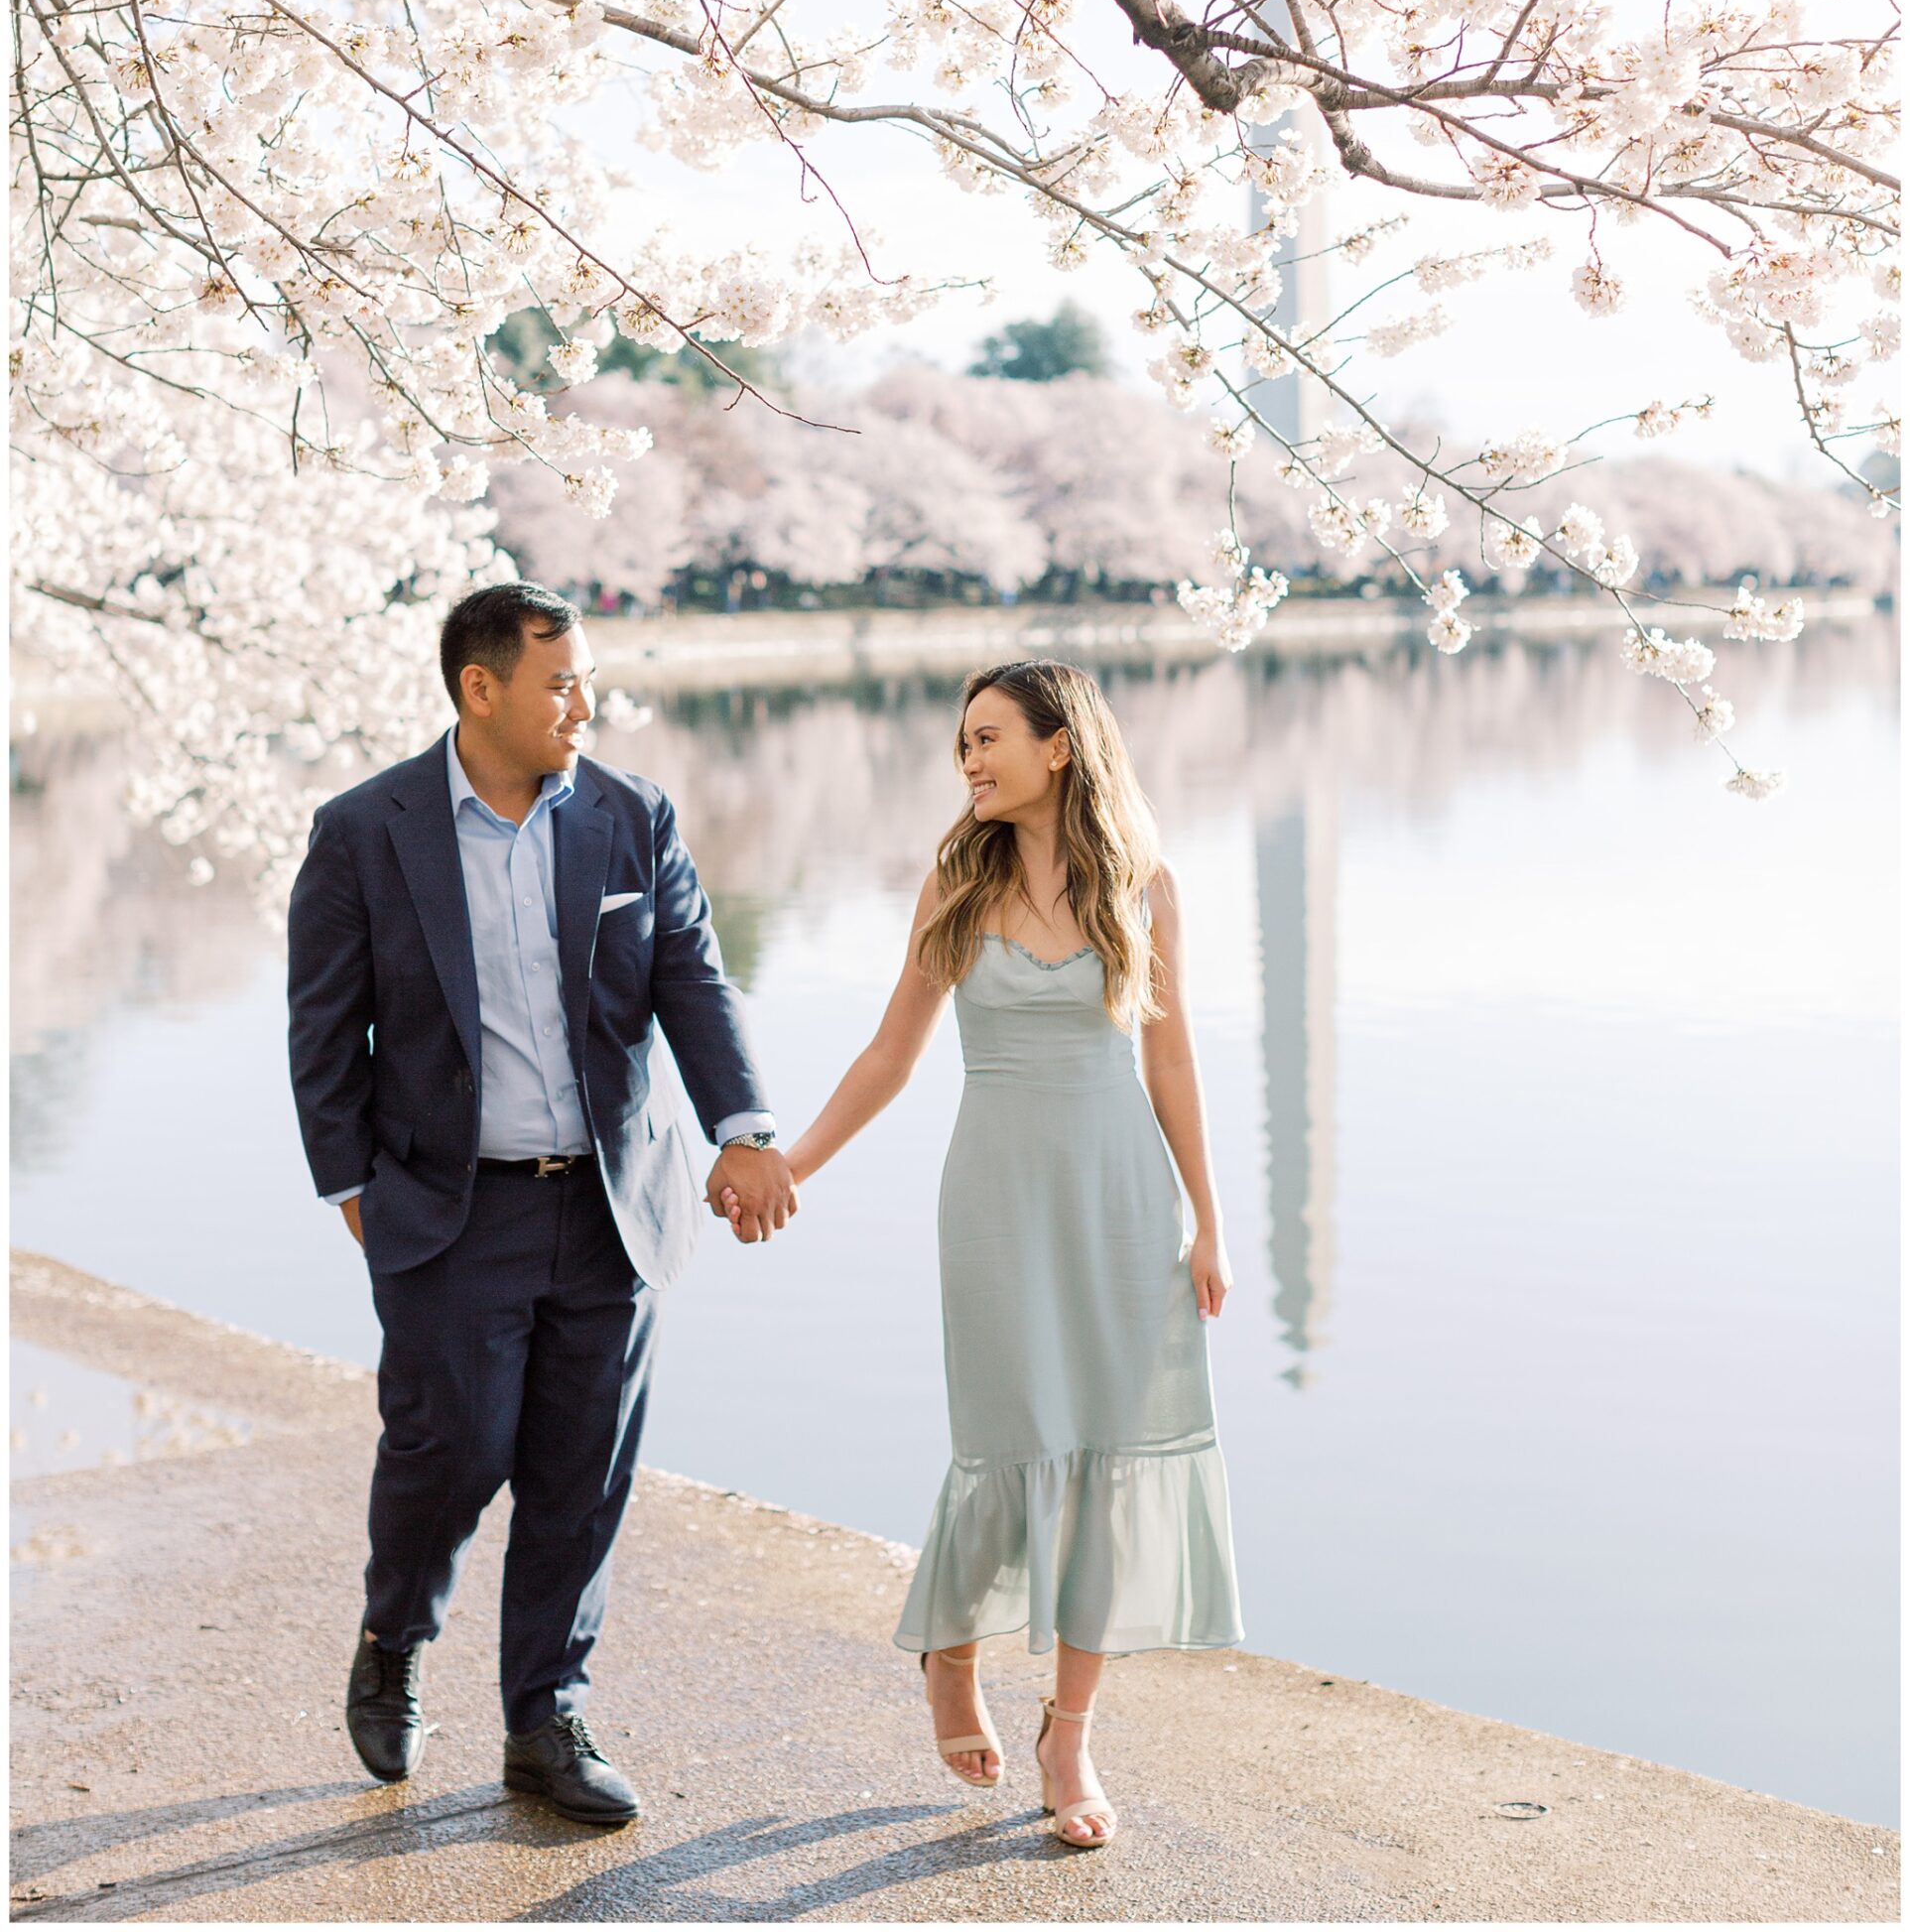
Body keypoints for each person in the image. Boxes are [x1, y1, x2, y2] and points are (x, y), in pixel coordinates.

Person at [287, 581, 795, 1824]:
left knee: (582, 1469)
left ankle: (542, 1719)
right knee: (448, 1444)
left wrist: (745, 1127)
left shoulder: (630, 816)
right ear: (481, 688)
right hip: (446, 1209)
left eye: (585, 679)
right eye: (560, 680)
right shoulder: (366, 830)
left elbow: (692, 978)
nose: (584, 702)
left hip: (609, 1207)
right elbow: (321, 1027)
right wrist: (352, 1186)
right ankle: (394, 1635)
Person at [764, 659, 1243, 1851]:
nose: (969, 760)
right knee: (1004, 1441)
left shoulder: (1144, 885)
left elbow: (1169, 1061)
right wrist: (793, 1164)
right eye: (960, 744)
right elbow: (889, 1053)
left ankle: (1068, 1731)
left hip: (1119, 1200)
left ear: (1059, 747)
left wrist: (1207, 1215)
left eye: (987, 739)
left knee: (1109, 1456)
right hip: (993, 1197)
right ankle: (951, 1647)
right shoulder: (955, 880)